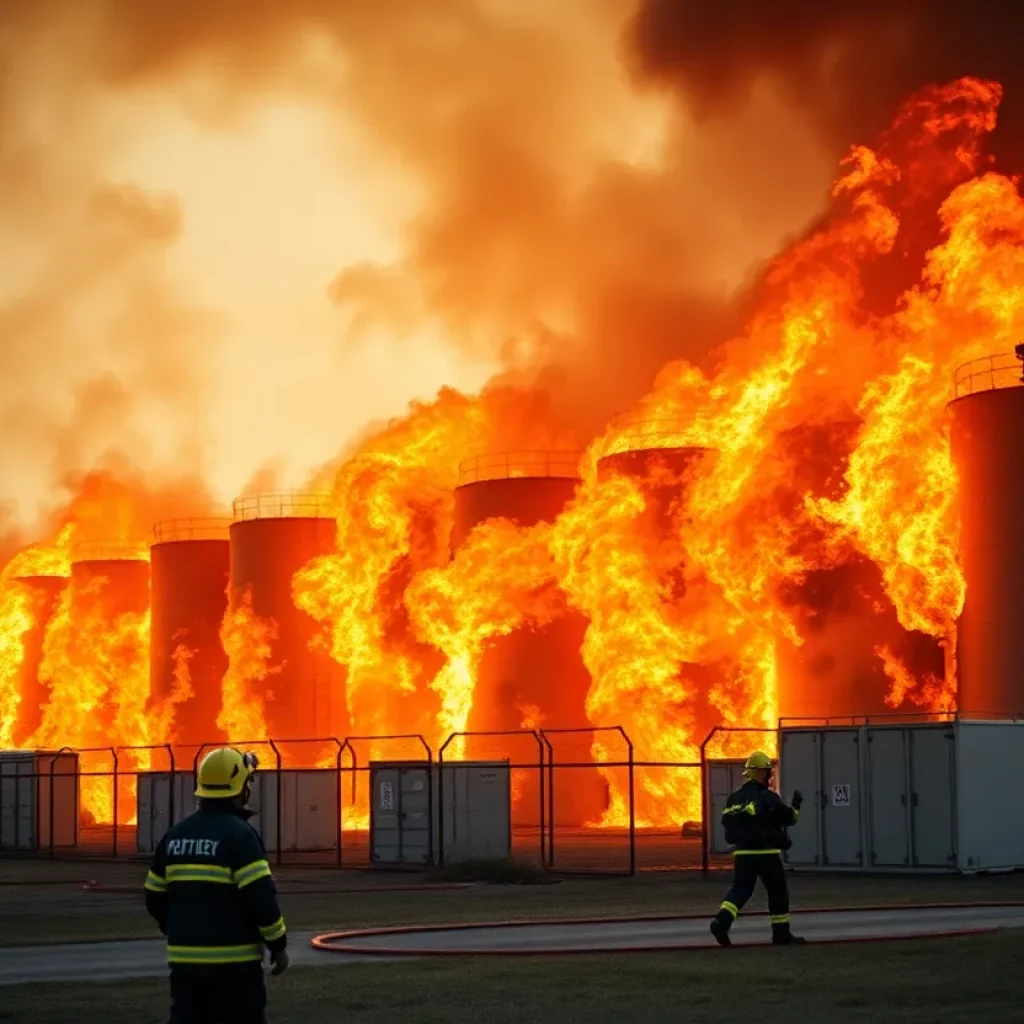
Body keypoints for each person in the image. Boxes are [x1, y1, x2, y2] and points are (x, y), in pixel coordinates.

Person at [144, 747, 289, 1023]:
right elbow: (261, 899)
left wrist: (178, 927)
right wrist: (278, 945)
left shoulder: (175, 836)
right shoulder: (241, 836)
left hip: (185, 964)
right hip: (235, 967)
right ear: (241, 788)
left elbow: (153, 895)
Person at [709, 750, 806, 947]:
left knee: (741, 890)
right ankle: (781, 934)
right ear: (758, 773)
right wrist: (796, 806)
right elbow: (790, 819)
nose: (769, 776)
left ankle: (721, 922)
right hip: (768, 854)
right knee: (778, 891)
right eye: (766, 772)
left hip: (743, 854)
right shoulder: (770, 798)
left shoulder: (735, 798)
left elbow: (726, 820)